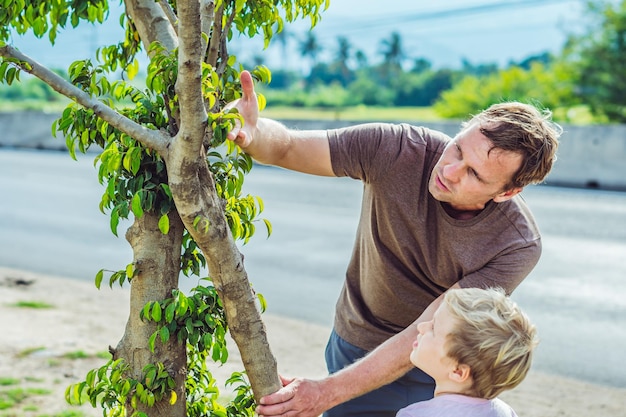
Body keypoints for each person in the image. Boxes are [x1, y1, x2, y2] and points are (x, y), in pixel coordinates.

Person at [226, 70, 561, 417]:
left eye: (474, 174)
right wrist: (254, 133)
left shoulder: (516, 245)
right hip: (354, 340)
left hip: (434, 368)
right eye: (458, 148)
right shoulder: (398, 148)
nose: (450, 170)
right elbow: (289, 147)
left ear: (508, 192)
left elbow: (431, 323)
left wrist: (325, 393)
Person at [397, 287, 537, 417]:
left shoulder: (415, 414)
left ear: (458, 372)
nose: (421, 327)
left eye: (433, 328)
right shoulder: (505, 413)